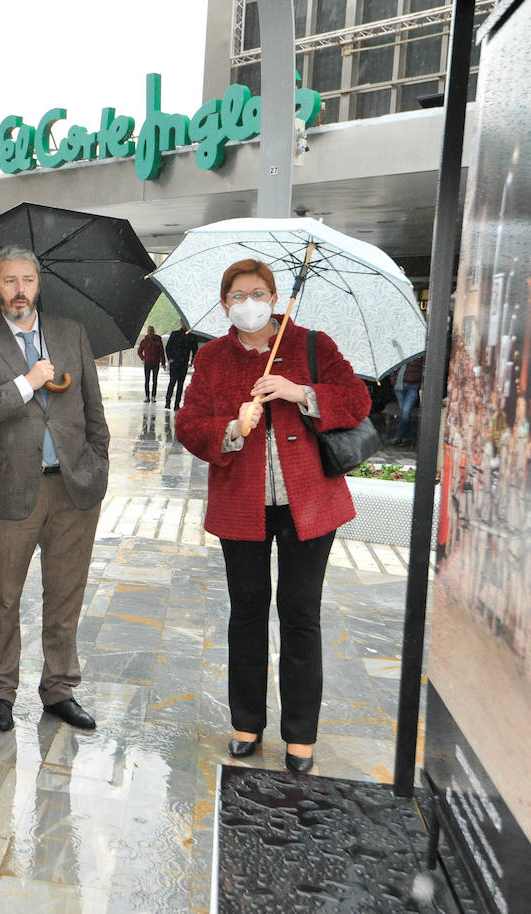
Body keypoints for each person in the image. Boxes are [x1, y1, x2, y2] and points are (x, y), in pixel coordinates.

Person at [174, 258, 370, 773]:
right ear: (225, 305)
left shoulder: (311, 344)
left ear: (276, 298)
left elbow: (356, 399)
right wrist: (233, 428)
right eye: (237, 295)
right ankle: (246, 723)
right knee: (247, 609)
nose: (248, 303)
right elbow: (189, 425)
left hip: (310, 505)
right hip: (243, 506)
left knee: (301, 612)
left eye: (258, 293)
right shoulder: (213, 358)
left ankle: (301, 735)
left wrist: (301, 393)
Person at [0, 244, 110, 733]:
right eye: (9, 281)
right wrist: (26, 382)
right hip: (9, 492)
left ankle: (59, 689)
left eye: (27, 280)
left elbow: (93, 411)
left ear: (38, 283)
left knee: (65, 593)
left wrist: (97, 464)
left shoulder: (70, 333)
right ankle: (0, 692)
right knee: (3, 596)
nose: (19, 290)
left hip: (72, 488)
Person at [391, 354, 424, 445]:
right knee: (404, 413)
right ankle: (408, 438)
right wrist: (393, 381)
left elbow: (423, 369)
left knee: (406, 411)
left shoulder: (419, 354)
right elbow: (393, 367)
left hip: (413, 386)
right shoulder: (399, 352)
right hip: (399, 385)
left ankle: (398, 436)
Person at [165, 325, 194, 409]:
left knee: (180, 384)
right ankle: (168, 401)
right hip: (174, 363)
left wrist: (192, 361)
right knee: (172, 382)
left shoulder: (191, 336)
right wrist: (170, 358)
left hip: (183, 363)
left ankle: (177, 404)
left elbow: (194, 349)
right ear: (181, 323)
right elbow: (168, 347)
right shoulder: (175, 334)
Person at [136, 325, 166, 402]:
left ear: (154, 331)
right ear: (147, 332)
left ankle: (153, 396)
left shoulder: (158, 340)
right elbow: (139, 351)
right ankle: (147, 396)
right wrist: (143, 358)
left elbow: (161, 352)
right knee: (147, 380)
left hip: (156, 363)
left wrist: (163, 362)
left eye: (151, 330)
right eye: (149, 330)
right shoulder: (144, 341)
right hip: (147, 363)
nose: (150, 332)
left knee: (155, 381)